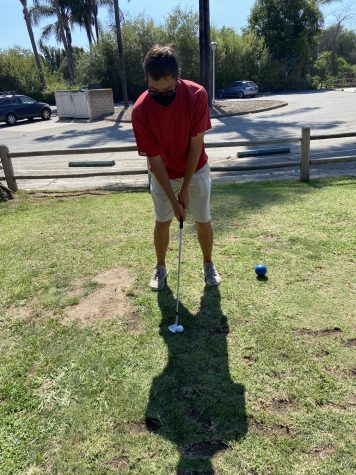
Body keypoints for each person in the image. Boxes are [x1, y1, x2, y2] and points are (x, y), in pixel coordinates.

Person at [132, 44, 221, 291]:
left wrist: (185, 190)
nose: (162, 95)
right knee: (163, 222)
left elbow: (196, 144)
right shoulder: (140, 110)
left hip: (196, 167)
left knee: (203, 220)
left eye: (168, 90)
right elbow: (155, 160)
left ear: (177, 76)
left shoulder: (196, 95)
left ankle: (208, 264)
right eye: (154, 90)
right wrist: (174, 200)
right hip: (163, 173)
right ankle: (160, 267)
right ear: (146, 79)